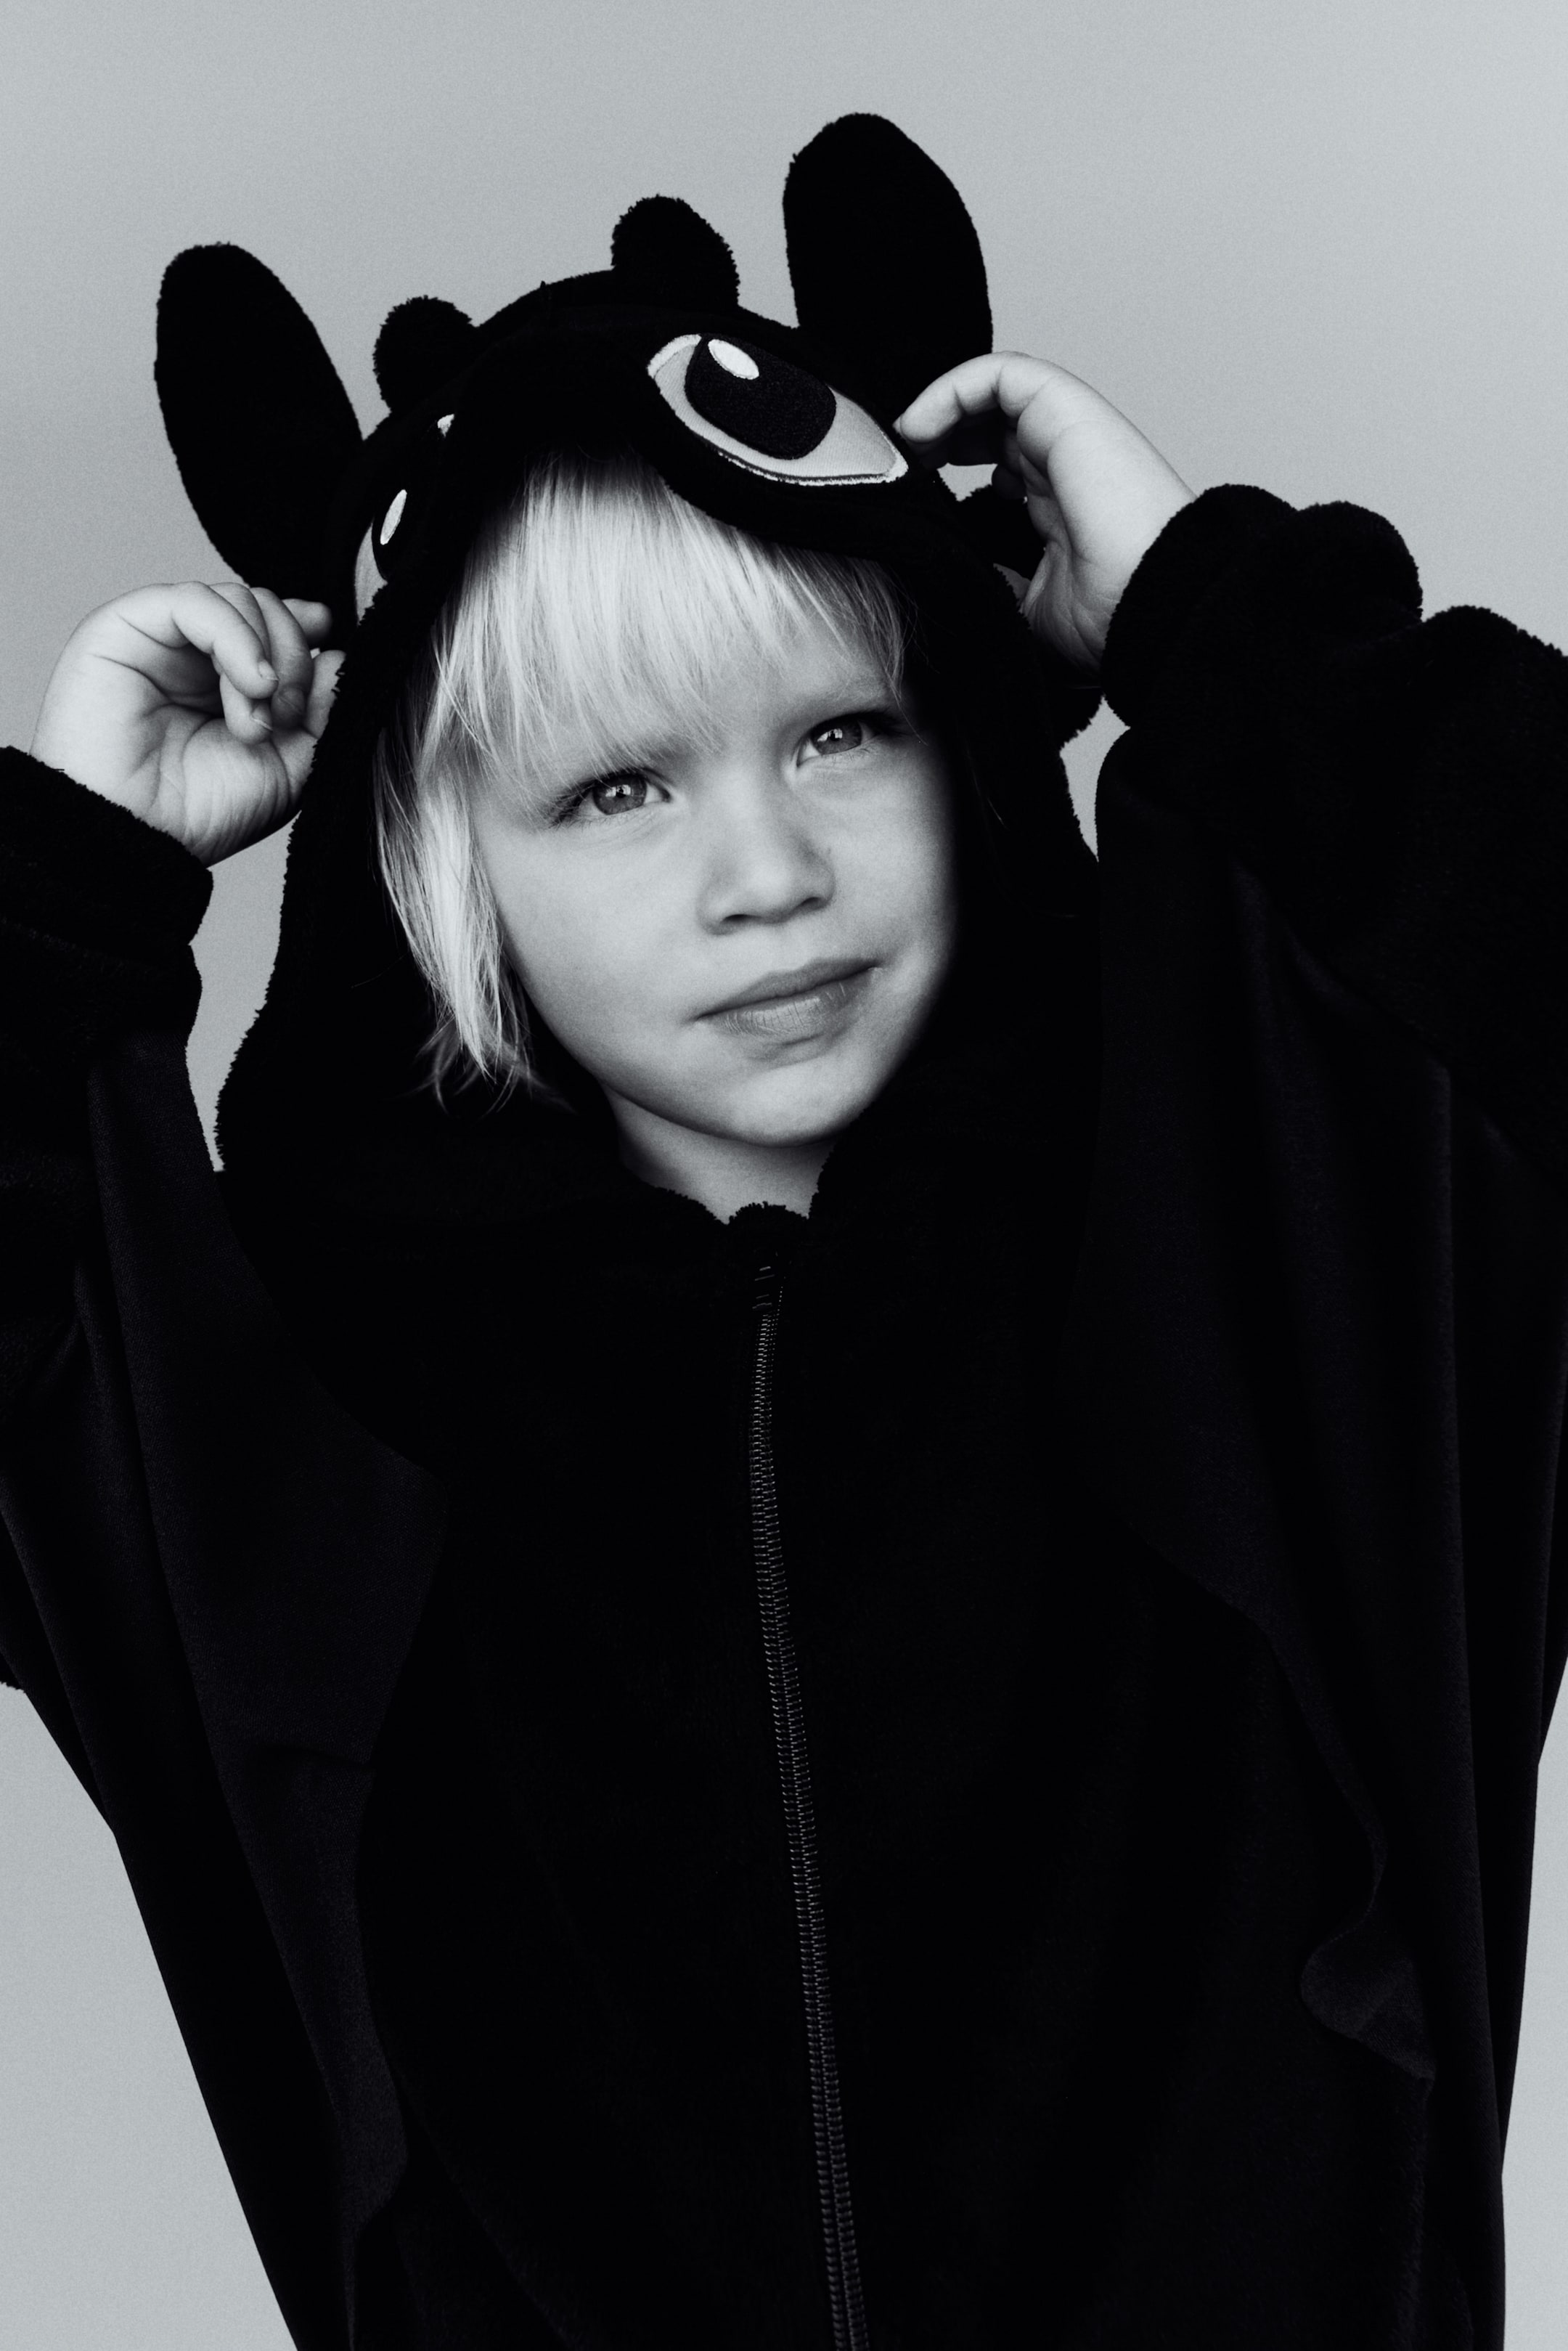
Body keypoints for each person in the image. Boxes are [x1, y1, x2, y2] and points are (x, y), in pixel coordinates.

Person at [1, 111, 1564, 2351]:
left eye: (843, 731)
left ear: (965, 729)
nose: (766, 876)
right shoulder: (290, 1391)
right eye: (615, 787)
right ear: (437, 867)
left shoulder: (1273, 1239)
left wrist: (1224, 623)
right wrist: (60, 887)